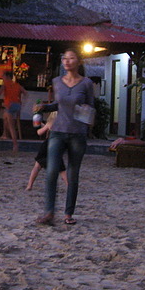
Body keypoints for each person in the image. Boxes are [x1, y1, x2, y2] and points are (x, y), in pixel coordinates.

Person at [35, 48, 94, 226]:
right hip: (58, 131)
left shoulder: (86, 83)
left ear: (79, 61)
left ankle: (68, 213)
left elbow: (90, 107)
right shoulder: (56, 81)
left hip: (77, 134)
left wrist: (86, 125)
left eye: (71, 58)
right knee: (51, 171)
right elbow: (58, 105)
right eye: (64, 58)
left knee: (73, 173)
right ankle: (49, 212)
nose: (67, 61)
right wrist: (44, 108)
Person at [25, 112, 67, 189]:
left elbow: (39, 132)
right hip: (58, 146)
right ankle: (69, 185)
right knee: (61, 169)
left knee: (37, 166)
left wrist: (38, 126)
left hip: (47, 145)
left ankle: (29, 185)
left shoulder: (50, 123)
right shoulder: (63, 125)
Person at [0, 70, 26, 152]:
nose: (3, 78)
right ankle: (5, 134)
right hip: (17, 105)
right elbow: (25, 93)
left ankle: (15, 145)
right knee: (5, 117)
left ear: (7, 77)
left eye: (3, 77)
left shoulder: (5, 84)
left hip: (10, 105)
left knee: (11, 125)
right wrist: (23, 103)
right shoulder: (16, 84)